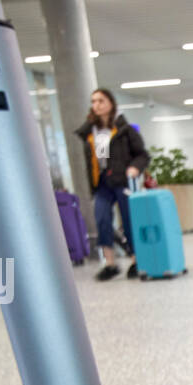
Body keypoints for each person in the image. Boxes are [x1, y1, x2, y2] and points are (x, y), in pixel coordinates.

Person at [74, 88, 149, 281]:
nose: (96, 105)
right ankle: (110, 263)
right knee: (102, 219)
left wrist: (134, 168)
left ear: (111, 104)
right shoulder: (91, 131)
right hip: (102, 183)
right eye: (93, 102)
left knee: (129, 220)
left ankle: (136, 259)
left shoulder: (125, 130)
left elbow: (142, 155)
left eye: (100, 101)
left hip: (122, 180)